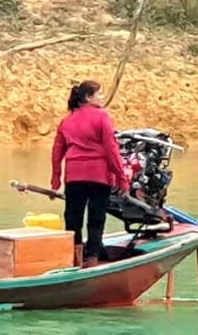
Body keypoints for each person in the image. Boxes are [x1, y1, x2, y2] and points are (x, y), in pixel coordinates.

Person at [51, 80, 130, 268]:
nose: (102, 98)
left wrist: (56, 179)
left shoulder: (66, 121)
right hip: (98, 175)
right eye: (99, 94)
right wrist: (121, 178)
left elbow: (57, 151)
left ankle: (74, 257)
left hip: (74, 176)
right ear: (88, 97)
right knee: (96, 218)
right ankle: (93, 257)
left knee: (73, 218)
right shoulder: (102, 117)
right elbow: (111, 150)